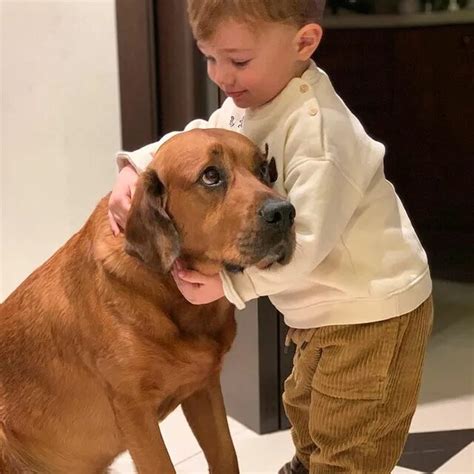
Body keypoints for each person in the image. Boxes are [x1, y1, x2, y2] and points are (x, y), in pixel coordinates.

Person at [108, 1, 433, 472]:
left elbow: (307, 243)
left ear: (304, 43)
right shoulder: (252, 102)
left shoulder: (320, 133)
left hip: (371, 308)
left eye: (237, 60)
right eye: (210, 58)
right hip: (323, 306)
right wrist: (135, 166)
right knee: (306, 403)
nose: (221, 75)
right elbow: (198, 135)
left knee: (352, 429)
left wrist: (232, 286)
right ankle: (307, 462)